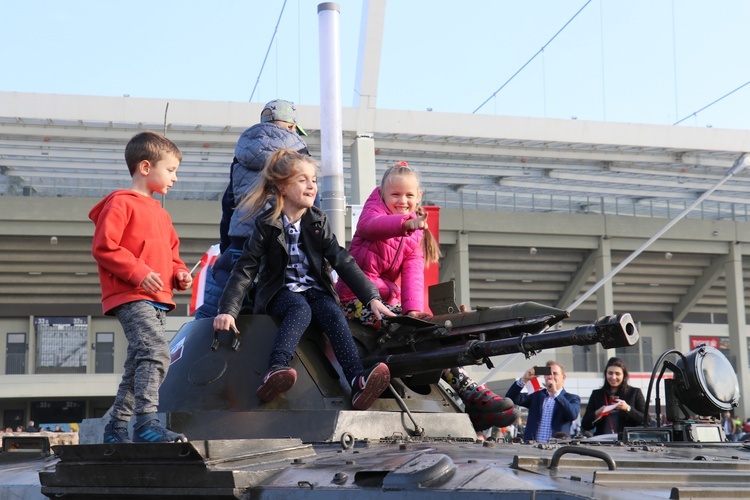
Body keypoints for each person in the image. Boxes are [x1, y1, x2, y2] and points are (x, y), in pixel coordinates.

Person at [334, 161, 519, 431]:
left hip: (387, 303)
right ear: (382, 194)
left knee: (427, 332)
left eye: (409, 195)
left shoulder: (414, 234)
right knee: (411, 332)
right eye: (395, 195)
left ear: (419, 196)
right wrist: (406, 224)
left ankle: (471, 393)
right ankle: (470, 392)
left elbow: (413, 274)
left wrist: (412, 312)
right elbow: (373, 227)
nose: (402, 200)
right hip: (354, 299)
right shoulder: (373, 214)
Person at [213, 150, 395, 409]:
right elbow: (245, 269)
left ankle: (357, 380)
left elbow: (341, 260)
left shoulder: (318, 222)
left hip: (314, 289)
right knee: (300, 310)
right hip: (279, 291)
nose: (312, 186)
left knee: (333, 313)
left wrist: (371, 298)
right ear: (283, 187)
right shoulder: (267, 224)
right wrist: (228, 311)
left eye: (314, 180)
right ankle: (276, 369)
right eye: (303, 180)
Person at [90, 131, 193, 444]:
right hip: (131, 296)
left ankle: (116, 428)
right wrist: (137, 272)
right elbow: (104, 247)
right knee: (156, 353)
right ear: (146, 167)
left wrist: (180, 274)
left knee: (139, 362)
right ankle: (147, 423)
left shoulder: (162, 214)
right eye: (171, 170)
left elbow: (173, 257)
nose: (175, 178)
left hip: (158, 299)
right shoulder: (120, 204)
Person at [195, 99, 310, 320]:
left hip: (241, 238)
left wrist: (229, 244)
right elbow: (308, 202)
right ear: (292, 127)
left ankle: (214, 330)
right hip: (279, 237)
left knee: (223, 274)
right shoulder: (298, 152)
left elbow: (228, 203)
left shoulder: (241, 153)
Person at [505, 361, 581, 443]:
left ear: (563, 378)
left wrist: (555, 393)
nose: (551, 377)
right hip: (532, 447)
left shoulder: (572, 398)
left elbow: (572, 415)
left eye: (555, 373)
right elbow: (510, 398)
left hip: (558, 447)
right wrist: (524, 379)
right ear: (544, 377)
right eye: (548, 374)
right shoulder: (537, 395)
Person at [580, 357, 646, 436]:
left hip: (627, 441)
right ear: (606, 374)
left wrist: (628, 408)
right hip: (602, 441)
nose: (613, 377)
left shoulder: (634, 392)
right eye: (610, 373)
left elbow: (646, 420)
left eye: (617, 374)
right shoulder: (597, 394)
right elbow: (585, 424)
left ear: (624, 375)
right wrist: (598, 413)